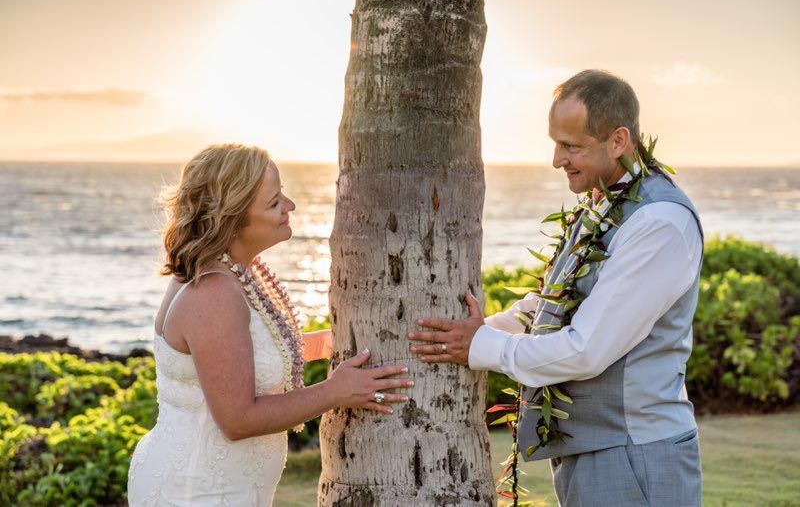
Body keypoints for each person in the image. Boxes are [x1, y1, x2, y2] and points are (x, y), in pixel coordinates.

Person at [408, 70, 703, 506]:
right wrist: (475, 330)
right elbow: (556, 303)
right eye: (556, 142)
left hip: (635, 455)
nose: (556, 159)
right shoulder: (604, 203)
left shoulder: (658, 222)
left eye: (571, 146)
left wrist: (483, 346)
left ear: (618, 141)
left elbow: (586, 348)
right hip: (597, 449)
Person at [127, 144, 412, 505]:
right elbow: (238, 419)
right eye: (274, 202)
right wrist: (335, 391)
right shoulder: (214, 292)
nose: (290, 206)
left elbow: (237, 357)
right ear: (232, 218)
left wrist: (327, 343)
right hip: (197, 490)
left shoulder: (231, 271)